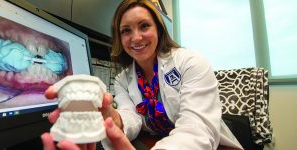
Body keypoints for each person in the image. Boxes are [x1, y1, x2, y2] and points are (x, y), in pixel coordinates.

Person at [42, 0, 243, 149]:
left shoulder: (190, 62)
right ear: (120, 38)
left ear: (159, 29)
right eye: (126, 30)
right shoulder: (123, 79)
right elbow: (133, 117)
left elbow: (197, 129)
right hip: (156, 142)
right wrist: (113, 118)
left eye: (144, 26)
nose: (136, 37)